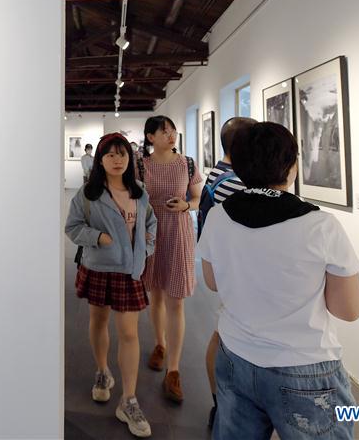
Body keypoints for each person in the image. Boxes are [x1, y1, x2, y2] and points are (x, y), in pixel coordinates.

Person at [199, 122, 359, 440]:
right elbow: (349, 309)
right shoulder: (320, 225)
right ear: (291, 166)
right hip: (304, 366)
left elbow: (212, 282)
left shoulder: (219, 216)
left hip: (235, 355)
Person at [64, 132, 157, 438]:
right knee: (98, 320)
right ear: (100, 160)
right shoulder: (88, 194)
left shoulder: (139, 192)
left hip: (129, 270)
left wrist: (147, 247)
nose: (118, 160)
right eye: (111, 154)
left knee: (129, 333)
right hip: (99, 267)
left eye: (123, 154)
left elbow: (150, 223)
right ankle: (102, 371)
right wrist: (98, 238)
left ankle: (128, 399)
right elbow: (72, 227)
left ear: (130, 158)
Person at [137, 115, 202, 403]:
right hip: (151, 232)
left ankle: (173, 369)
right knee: (156, 294)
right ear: (150, 137)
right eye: (164, 131)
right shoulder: (141, 165)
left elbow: (198, 198)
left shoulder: (187, 163)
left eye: (172, 130)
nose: (171, 135)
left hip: (178, 231)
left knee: (176, 299)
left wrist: (187, 205)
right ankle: (159, 344)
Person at [201, 116, 256, 428]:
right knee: (225, 334)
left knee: (224, 330)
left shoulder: (221, 173)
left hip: (229, 268)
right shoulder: (234, 182)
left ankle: (221, 403)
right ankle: (223, 405)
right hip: (238, 272)